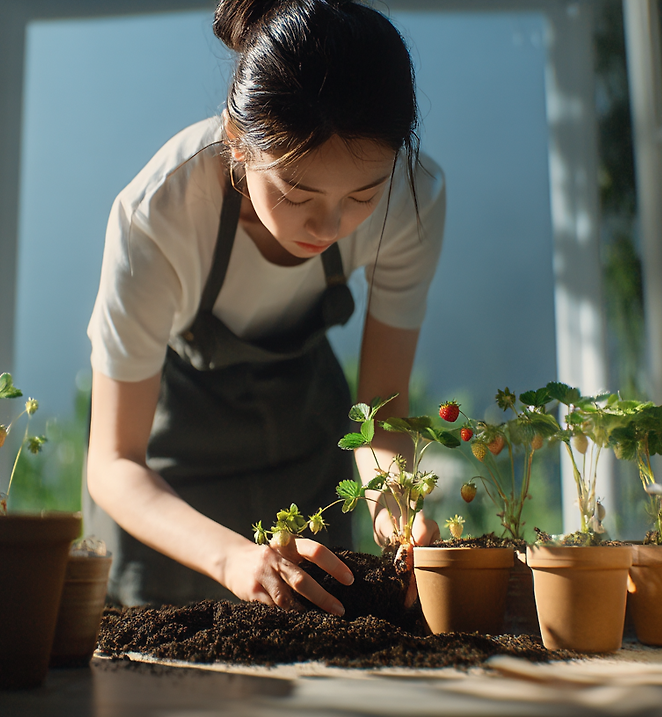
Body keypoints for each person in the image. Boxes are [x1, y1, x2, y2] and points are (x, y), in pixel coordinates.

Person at [84, 0, 446, 615]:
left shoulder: (413, 200)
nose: (329, 225)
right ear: (238, 142)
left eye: (363, 194)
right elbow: (114, 462)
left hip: (309, 449)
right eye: (297, 192)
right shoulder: (158, 218)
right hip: (173, 481)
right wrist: (230, 558)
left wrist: (396, 508)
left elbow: (381, 412)